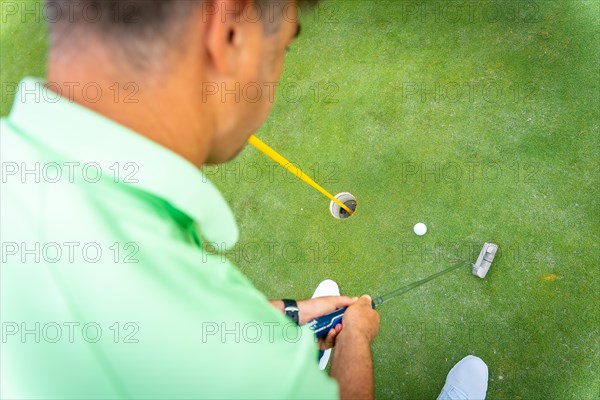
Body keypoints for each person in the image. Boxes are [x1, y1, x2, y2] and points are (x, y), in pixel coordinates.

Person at [0, 0, 487, 398]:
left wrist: (292, 315)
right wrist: (354, 339)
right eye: (281, 49)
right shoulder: (183, 327)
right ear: (229, 29)